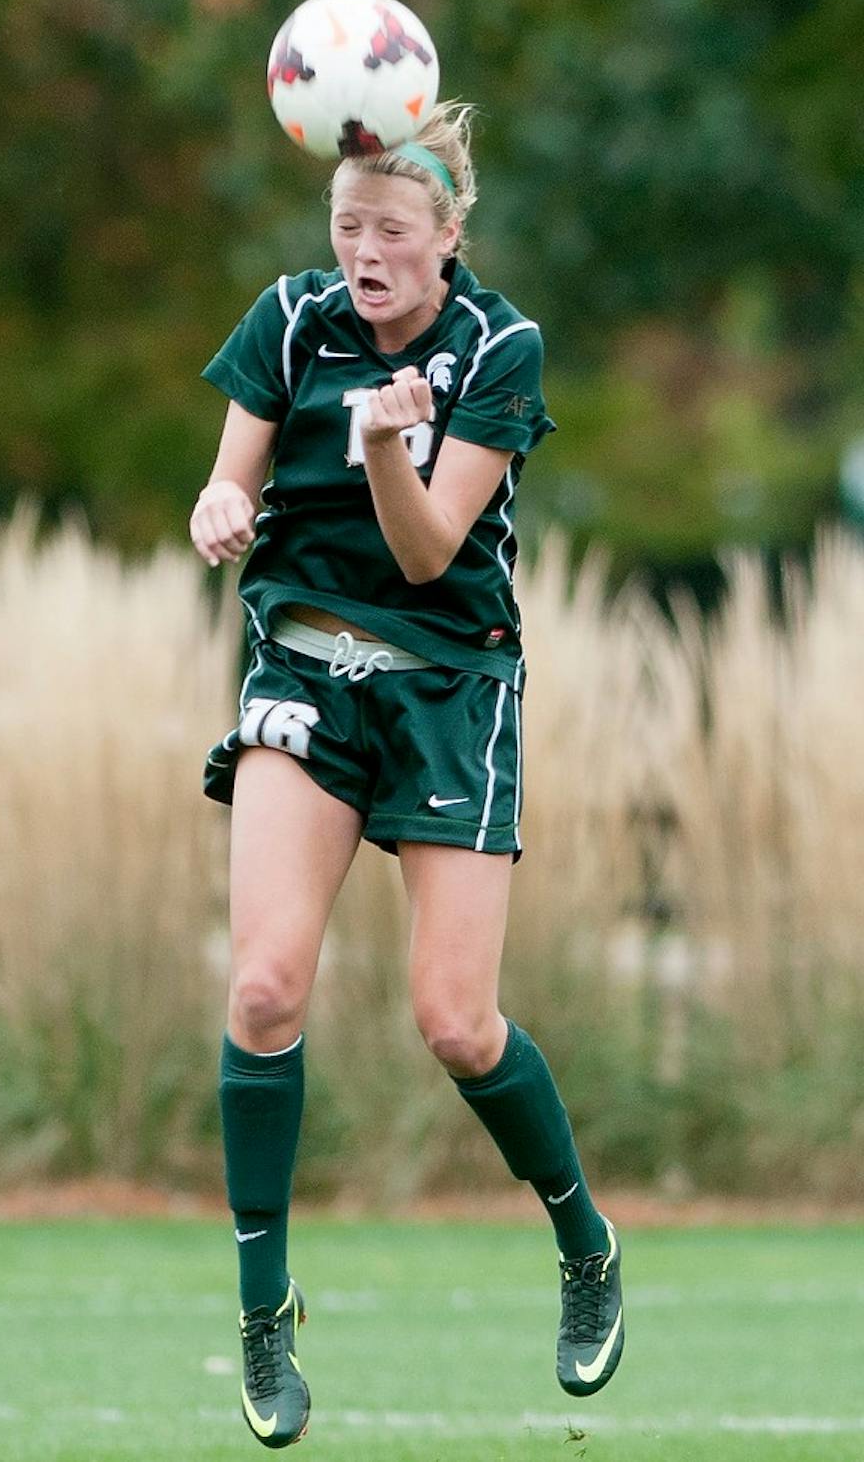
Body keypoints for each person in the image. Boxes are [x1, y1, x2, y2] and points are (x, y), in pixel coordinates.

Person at [189, 102, 624, 1451]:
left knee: (456, 1020)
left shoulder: (502, 348)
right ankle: (264, 1312)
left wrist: (387, 442)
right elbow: (233, 472)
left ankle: (585, 1241)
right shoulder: (290, 318)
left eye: (389, 230)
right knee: (262, 984)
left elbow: (433, 553)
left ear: (448, 236)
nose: (361, 250)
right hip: (303, 673)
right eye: (344, 226)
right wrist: (219, 501)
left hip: (450, 687)